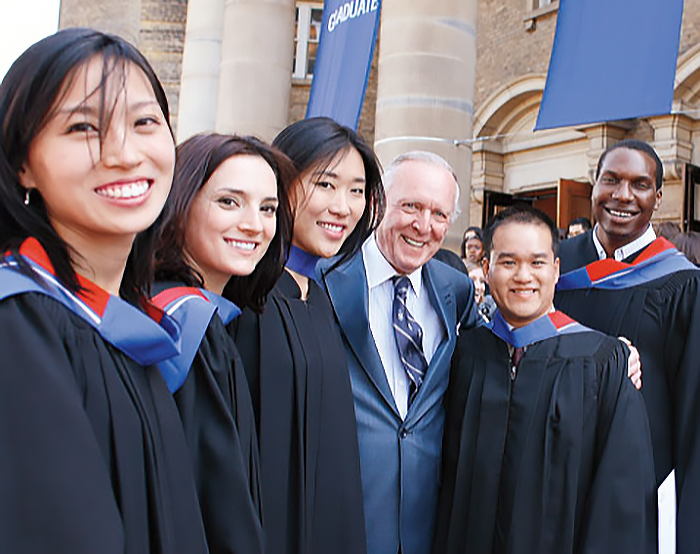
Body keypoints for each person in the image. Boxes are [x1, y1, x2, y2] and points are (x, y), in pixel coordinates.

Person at [0, 29, 209, 553]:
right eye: (81, 127)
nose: (122, 153)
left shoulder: (123, 328)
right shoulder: (18, 327)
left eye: (143, 122)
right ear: (22, 163)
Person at [433, 205, 656, 554]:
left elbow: (620, 502)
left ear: (555, 269)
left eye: (537, 263)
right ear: (487, 270)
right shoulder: (467, 354)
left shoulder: (602, 362)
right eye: (508, 262)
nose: (524, 276)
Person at [232, 116, 384, 554]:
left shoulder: (317, 297)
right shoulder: (244, 300)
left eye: (357, 190)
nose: (344, 207)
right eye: (325, 184)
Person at [320, 151, 477, 554]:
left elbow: (500, 355)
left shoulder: (454, 289)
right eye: (411, 206)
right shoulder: (323, 282)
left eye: (440, 214)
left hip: (425, 524)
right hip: (341, 518)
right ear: (377, 203)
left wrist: (607, 354)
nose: (424, 226)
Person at [554, 139, 700, 551]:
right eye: (611, 180)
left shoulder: (682, 284)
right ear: (593, 185)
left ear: (658, 196)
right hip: (551, 475)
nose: (622, 195)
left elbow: (692, 413)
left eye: (639, 184)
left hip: (634, 488)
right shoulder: (554, 266)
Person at [153, 133, 294, 554]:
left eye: (268, 208)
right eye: (229, 202)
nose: (254, 224)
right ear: (180, 203)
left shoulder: (176, 309)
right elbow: (217, 505)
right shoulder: (189, 327)